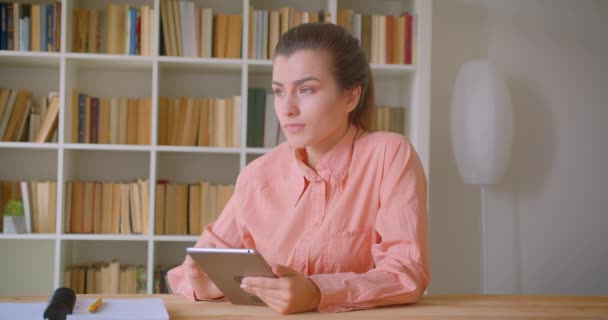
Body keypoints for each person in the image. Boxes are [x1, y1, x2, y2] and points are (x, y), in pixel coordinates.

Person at [167, 22, 429, 314]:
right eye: (279, 92)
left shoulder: (389, 155)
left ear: (351, 97)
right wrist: (207, 287)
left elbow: (406, 273)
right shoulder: (258, 175)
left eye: (306, 90)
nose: (287, 108)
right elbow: (187, 272)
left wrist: (318, 293)